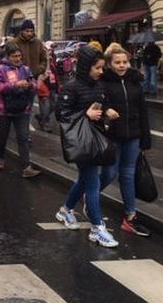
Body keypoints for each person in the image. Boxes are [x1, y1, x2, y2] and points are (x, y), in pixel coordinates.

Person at [54, 45, 119, 248]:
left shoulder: (98, 85)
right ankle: (97, 228)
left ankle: (66, 210)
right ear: (86, 67)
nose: (101, 71)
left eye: (102, 68)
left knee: (103, 175)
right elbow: (61, 113)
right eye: (97, 68)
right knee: (92, 182)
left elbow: (101, 102)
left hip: (98, 138)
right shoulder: (71, 86)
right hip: (82, 142)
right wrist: (85, 115)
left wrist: (106, 110)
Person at [100, 44, 152, 237]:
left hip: (133, 136)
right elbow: (96, 101)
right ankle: (90, 195)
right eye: (117, 62)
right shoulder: (104, 82)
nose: (122, 65)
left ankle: (130, 217)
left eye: (125, 62)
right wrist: (106, 109)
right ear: (109, 64)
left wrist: (145, 140)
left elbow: (143, 112)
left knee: (128, 175)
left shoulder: (135, 82)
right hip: (113, 135)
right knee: (110, 172)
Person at [0, 43, 41, 178]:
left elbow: (34, 84)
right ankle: (0, 158)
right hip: (4, 110)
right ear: (8, 56)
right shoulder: (0, 69)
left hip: (22, 109)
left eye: (19, 56)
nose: (17, 59)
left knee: (23, 137)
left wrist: (30, 85)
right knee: (3, 136)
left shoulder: (25, 69)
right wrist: (14, 85)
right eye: (14, 56)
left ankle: (26, 167)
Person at [35, 41, 59, 133]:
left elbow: (54, 73)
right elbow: (38, 73)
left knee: (54, 105)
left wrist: (58, 85)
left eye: (52, 49)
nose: (51, 50)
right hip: (44, 87)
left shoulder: (53, 59)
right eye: (49, 49)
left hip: (53, 87)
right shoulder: (40, 60)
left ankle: (41, 117)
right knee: (46, 107)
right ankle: (45, 124)